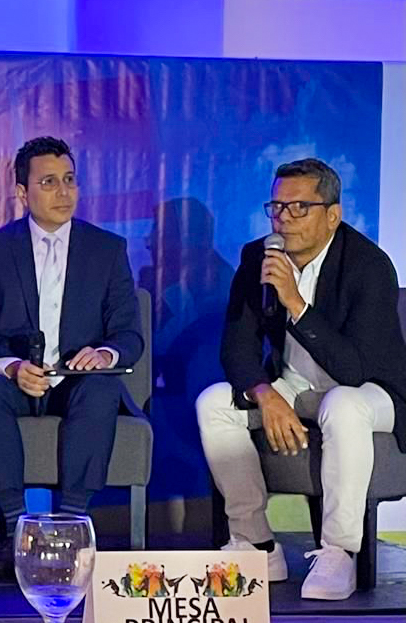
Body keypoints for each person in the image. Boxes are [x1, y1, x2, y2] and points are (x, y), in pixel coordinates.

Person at [197, 157, 406, 601]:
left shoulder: (369, 265)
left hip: (374, 392)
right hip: (296, 386)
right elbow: (237, 346)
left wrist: (295, 303)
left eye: (299, 208)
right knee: (214, 402)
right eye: (276, 207)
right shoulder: (259, 257)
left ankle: (338, 552)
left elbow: (354, 370)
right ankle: (256, 544)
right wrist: (264, 393)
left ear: (332, 215)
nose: (283, 219)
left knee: (342, 404)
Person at [0, 136, 143, 579]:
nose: (64, 192)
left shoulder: (107, 249)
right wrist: (12, 367)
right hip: (16, 382)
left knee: (102, 389)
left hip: (77, 383)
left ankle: (72, 526)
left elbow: (129, 333)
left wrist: (104, 353)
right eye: (49, 182)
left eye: (70, 180)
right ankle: (14, 529)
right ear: (23, 193)